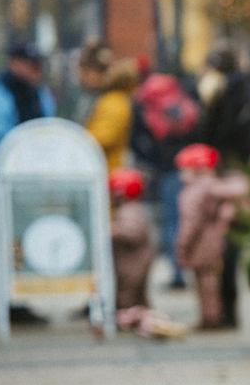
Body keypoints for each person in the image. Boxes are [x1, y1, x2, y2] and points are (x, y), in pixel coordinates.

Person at [0, 41, 57, 306]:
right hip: (5, 179)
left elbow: (48, 125)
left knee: (29, 233)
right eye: (30, 65)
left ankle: (27, 295)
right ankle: (14, 300)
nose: (35, 71)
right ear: (14, 63)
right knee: (10, 237)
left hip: (34, 178)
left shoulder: (38, 92)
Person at [198, 41, 250, 325]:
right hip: (241, 173)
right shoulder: (247, 90)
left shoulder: (220, 91)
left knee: (221, 239)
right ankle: (229, 308)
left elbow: (213, 132)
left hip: (222, 173)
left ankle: (223, 309)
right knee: (233, 237)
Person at [130, 69, 202, 288]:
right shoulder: (182, 92)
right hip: (193, 167)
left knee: (171, 221)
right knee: (194, 219)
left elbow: (135, 139)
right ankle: (200, 270)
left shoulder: (145, 101)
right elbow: (200, 126)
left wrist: (152, 160)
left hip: (166, 169)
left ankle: (177, 273)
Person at [175, 143, 250, 330]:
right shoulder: (215, 186)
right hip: (216, 241)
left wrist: (181, 246)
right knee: (214, 281)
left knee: (205, 283)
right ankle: (220, 316)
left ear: (197, 170)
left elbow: (189, 223)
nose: (180, 175)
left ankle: (210, 318)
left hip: (201, 244)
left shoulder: (193, 192)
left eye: (184, 170)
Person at [78, 40, 137, 171]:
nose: (81, 78)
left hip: (109, 174)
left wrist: (75, 140)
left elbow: (102, 138)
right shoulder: (103, 98)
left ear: (95, 71)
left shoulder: (113, 100)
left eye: (84, 72)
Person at [108, 167, 155, 311]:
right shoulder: (133, 208)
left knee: (127, 293)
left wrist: (116, 231)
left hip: (132, 263)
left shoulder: (128, 210)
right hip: (135, 260)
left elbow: (133, 233)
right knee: (137, 293)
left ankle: (128, 317)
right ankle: (142, 316)